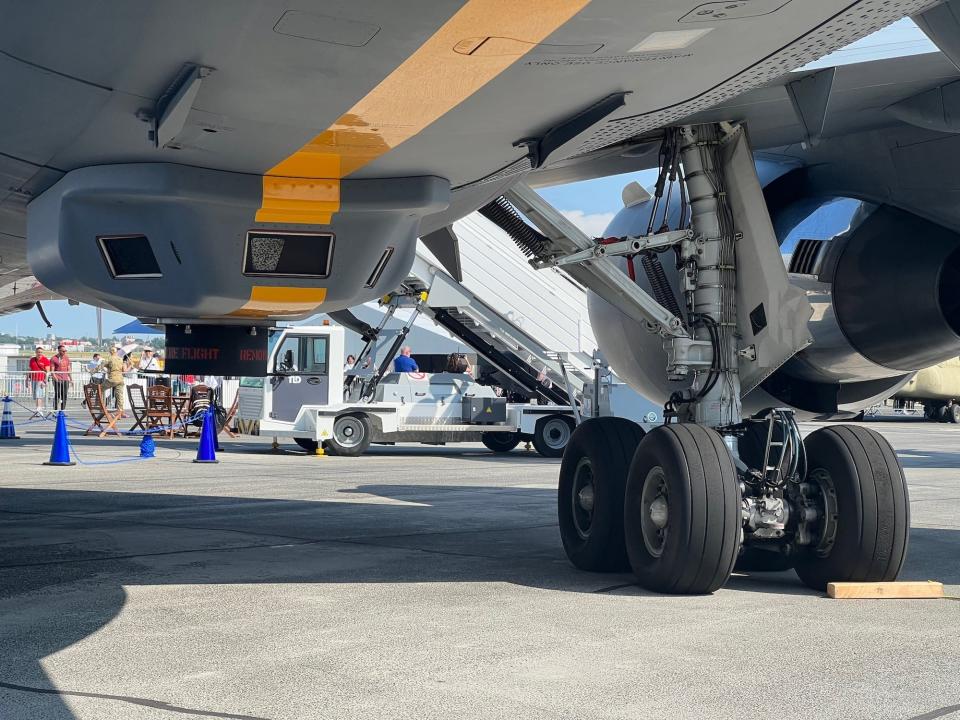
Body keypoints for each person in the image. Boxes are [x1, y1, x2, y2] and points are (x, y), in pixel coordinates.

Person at [101, 345, 127, 415]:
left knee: (100, 389)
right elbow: (124, 370)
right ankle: (120, 411)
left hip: (112, 379)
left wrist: (92, 371)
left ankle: (102, 407)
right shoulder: (120, 359)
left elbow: (101, 366)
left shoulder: (109, 359)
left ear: (110, 352)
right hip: (120, 379)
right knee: (119, 396)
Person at [28, 346, 51, 417]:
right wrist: (27, 379)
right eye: (38, 352)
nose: (39, 353)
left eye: (41, 352)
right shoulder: (32, 360)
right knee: (35, 395)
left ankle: (39, 410)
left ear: (42, 353)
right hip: (33, 379)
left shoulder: (45, 360)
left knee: (39, 395)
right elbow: (30, 369)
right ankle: (38, 409)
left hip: (41, 379)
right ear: (36, 352)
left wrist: (45, 380)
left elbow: (48, 371)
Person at [50, 344, 72, 412]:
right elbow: (52, 370)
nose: (64, 352)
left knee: (64, 395)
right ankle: (55, 410)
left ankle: (62, 410)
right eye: (63, 351)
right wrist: (55, 378)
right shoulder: (54, 358)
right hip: (57, 379)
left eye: (65, 351)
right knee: (57, 395)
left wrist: (71, 379)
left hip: (65, 379)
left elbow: (69, 369)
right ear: (59, 351)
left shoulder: (67, 358)